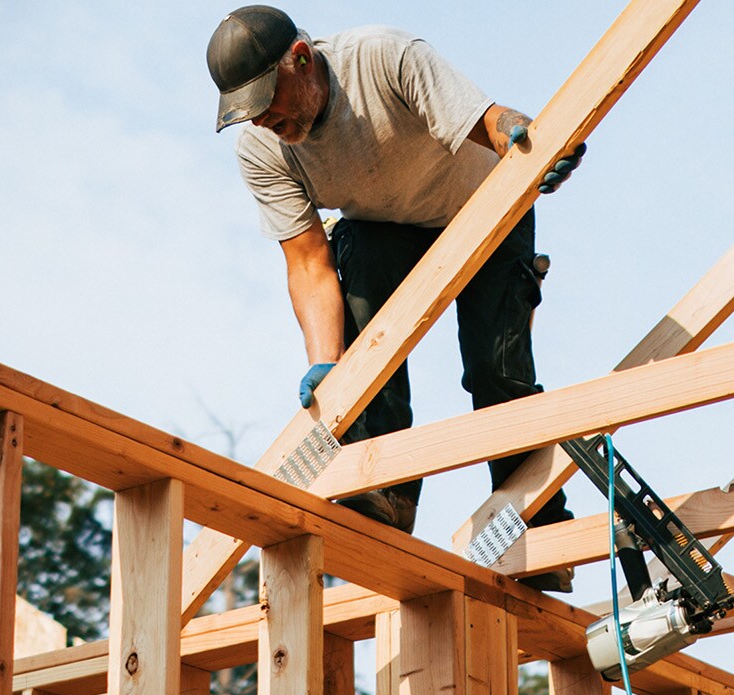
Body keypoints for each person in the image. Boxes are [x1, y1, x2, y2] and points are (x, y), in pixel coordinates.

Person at [208, 5, 578, 587]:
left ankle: (533, 527)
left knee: (495, 371)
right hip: (383, 229)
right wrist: (328, 364)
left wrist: (526, 142)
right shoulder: (263, 148)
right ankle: (381, 495)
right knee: (358, 302)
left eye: (266, 106)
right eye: (247, 114)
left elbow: (489, 121)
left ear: (300, 61)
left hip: (481, 208)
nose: (261, 123)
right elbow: (307, 260)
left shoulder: (383, 58)